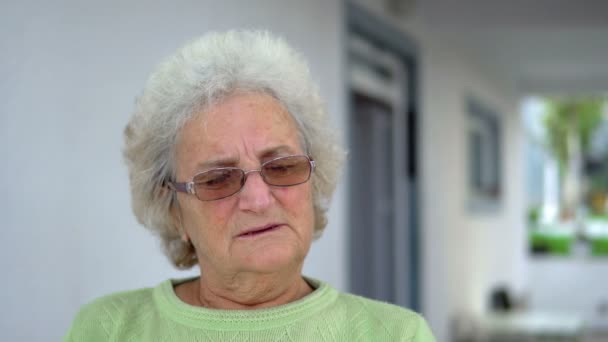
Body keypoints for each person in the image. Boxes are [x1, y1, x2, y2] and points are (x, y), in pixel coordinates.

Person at [65, 30, 435, 341]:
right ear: (173, 209)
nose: (258, 199)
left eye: (282, 166)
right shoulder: (107, 329)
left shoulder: (397, 335)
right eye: (217, 179)